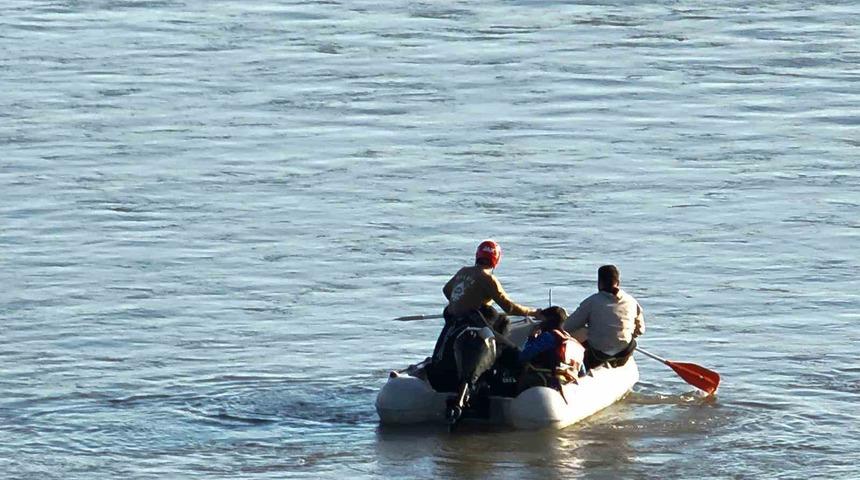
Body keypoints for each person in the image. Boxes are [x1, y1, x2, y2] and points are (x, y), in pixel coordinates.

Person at [426, 240, 539, 392]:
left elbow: (447, 290)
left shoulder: (463, 271)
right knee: (513, 352)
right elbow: (509, 307)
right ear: (496, 260)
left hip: (454, 323)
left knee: (495, 317)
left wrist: (461, 301)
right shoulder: (488, 278)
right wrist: (534, 312)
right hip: (471, 325)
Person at [563, 265, 644, 370]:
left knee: (580, 332)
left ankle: (579, 370)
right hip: (623, 353)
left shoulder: (592, 302)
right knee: (629, 340)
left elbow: (568, 327)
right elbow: (640, 330)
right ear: (618, 283)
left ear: (599, 283)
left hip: (598, 355)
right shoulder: (632, 301)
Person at [517, 306, 585, 392]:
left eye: (541, 321)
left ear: (547, 322)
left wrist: (531, 338)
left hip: (546, 380)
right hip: (567, 377)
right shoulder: (570, 340)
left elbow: (523, 356)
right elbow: (581, 368)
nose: (540, 324)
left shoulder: (547, 337)